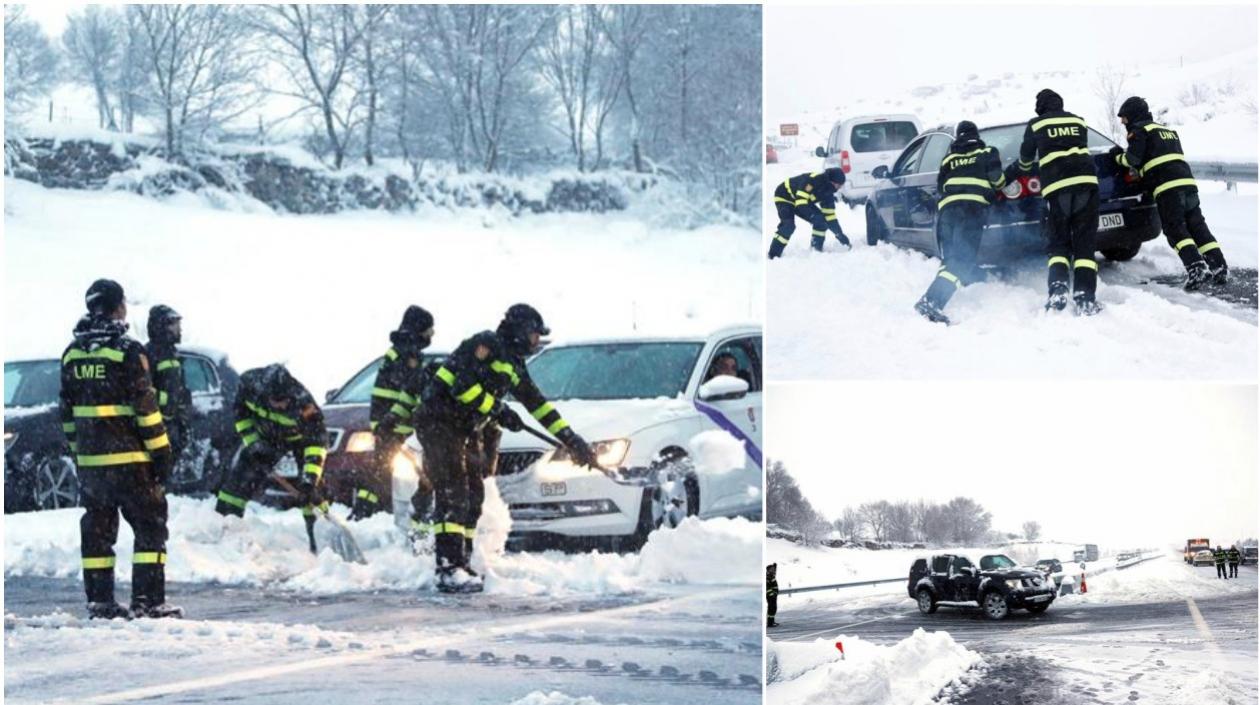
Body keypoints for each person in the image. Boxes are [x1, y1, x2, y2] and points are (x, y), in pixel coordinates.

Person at [415, 304, 599, 593]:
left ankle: (462, 561)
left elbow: (539, 406)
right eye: (535, 335)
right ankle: (447, 568)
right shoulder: (486, 345)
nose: (536, 341)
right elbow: (461, 387)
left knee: (474, 495)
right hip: (437, 422)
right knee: (453, 491)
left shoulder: (513, 365)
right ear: (521, 331)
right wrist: (498, 410)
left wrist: (572, 441)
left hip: (464, 428)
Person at [60, 279, 182, 619]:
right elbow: (146, 410)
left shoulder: (72, 354)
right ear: (117, 307)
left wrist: (80, 455)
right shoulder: (127, 351)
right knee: (150, 527)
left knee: (98, 535)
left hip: (93, 468)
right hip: (132, 463)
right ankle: (148, 601)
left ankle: (101, 602)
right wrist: (161, 453)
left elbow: (67, 415)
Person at [1110, 96, 1228, 289]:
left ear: (1133, 115)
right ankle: (1219, 266)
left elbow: (1132, 159)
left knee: (1175, 229)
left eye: (1124, 118)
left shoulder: (1139, 131)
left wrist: (1117, 157)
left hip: (1167, 188)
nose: (1123, 122)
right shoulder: (1166, 131)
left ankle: (1196, 268)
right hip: (1187, 184)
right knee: (1197, 226)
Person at [1014, 89, 1102, 315]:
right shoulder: (1078, 121)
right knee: (1085, 243)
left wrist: (1024, 168)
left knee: (1058, 243)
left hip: (1057, 189)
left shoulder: (1036, 124)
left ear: (1040, 107)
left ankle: (1058, 291)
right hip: (1087, 185)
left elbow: (1025, 160)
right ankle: (1085, 297)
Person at [214, 364, 327, 530]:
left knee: (312, 492)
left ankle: (320, 529)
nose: (282, 406)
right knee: (239, 479)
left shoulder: (305, 404)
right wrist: (254, 445)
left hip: (300, 440)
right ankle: (224, 523)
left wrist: (309, 481)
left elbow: (316, 444)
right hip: (266, 437)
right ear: (265, 395)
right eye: (277, 401)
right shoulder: (249, 387)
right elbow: (241, 416)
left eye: (285, 401)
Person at [914, 121, 1006, 324]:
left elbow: (941, 187)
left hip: (947, 214)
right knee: (963, 259)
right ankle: (931, 301)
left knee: (951, 257)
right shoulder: (987, 152)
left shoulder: (949, 159)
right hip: (970, 211)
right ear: (976, 135)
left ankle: (939, 294)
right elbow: (998, 180)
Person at [351, 305, 434, 521]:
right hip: (397, 425)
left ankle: (364, 514)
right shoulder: (409, 354)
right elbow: (411, 391)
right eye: (429, 330)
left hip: (385, 422)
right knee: (406, 474)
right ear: (419, 329)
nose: (431, 334)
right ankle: (402, 518)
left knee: (380, 472)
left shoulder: (397, 350)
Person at [768, 168, 852, 258]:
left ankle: (816, 250)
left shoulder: (828, 193)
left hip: (801, 201)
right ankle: (773, 255)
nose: (839, 188)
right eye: (838, 185)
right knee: (788, 226)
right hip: (784, 196)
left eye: (841, 186)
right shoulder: (813, 181)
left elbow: (830, 217)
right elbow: (801, 202)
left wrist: (840, 234)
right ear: (832, 182)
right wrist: (813, 216)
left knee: (822, 222)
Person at [145, 305, 190, 460]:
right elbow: (142, 391)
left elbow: (179, 389)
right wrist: (168, 401)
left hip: (173, 428)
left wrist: (183, 422)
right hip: (156, 427)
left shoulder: (173, 354)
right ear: (163, 326)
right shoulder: (148, 353)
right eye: (175, 324)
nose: (180, 329)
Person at [766, 563, 779, 628]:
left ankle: (772, 621)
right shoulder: (768, 576)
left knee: (774, 608)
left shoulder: (771, 575)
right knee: (771, 609)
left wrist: (775, 566)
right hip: (771, 596)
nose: (773, 570)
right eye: (772, 569)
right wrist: (772, 594)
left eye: (774, 569)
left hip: (773, 595)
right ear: (768, 570)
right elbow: (767, 587)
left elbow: (774, 572)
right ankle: (770, 623)